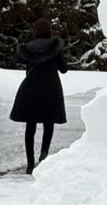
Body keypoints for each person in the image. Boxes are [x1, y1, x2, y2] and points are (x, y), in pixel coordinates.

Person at [10, 17, 67, 174]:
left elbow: (16, 60)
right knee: (48, 124)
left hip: (31, 89)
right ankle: (43, 156)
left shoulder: (27, 47)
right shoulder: (55, 46)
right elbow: (64, 69)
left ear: (35, 31)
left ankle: (30, 164)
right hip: (51, 89)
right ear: (49, 31)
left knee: (31, 126)